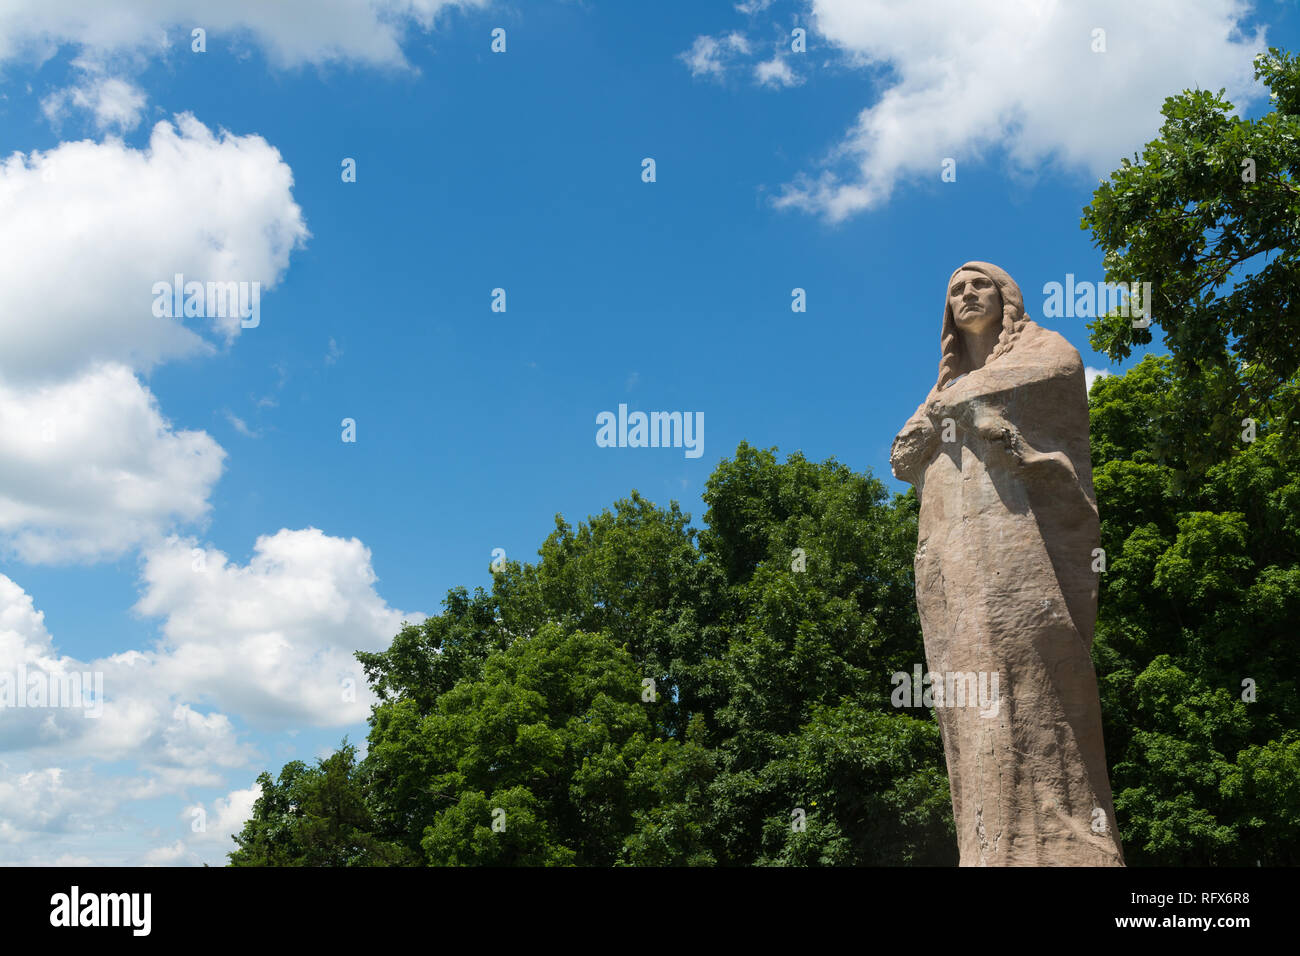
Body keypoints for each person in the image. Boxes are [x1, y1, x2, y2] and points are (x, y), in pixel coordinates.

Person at [890, 261, 1125, 866]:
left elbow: (1058, 375)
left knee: (1025, 680)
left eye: (979, 285)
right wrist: (943, 411)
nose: (967, 295)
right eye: (954, 291)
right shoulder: (942, 388)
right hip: (948, 556)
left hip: (1016, 551)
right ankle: (988, 847)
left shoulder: (1043, 351)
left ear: (1006, 297)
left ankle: (1054, 844)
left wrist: (956, 407)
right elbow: (901, 456)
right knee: (963, 701)